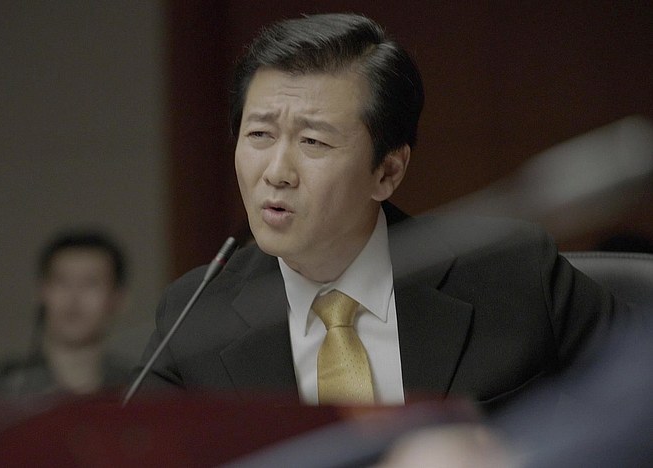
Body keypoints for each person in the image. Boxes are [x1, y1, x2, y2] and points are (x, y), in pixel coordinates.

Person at [132, 13, 619, 413]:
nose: (276, 172)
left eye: (313, 141)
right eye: (259, 135)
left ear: (387, 171)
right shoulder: (196, 317)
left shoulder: (510, 273)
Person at [0, 230, 130, 398]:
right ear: (41, 292)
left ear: (118, 298)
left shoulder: (139, 391)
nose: (73, 297)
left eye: (91, 282)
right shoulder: (1, 389)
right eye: (61, 281)